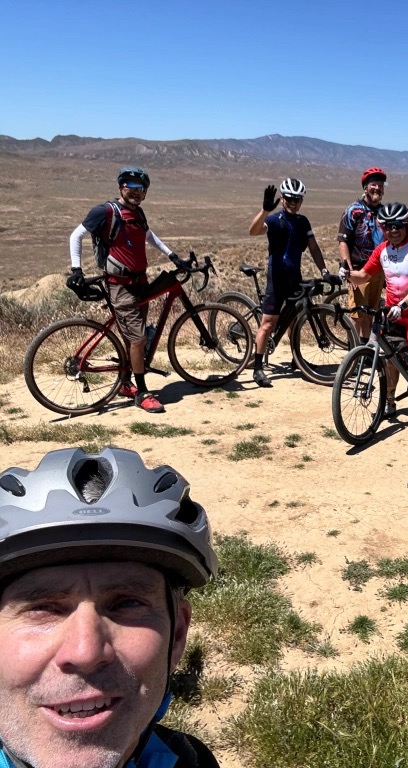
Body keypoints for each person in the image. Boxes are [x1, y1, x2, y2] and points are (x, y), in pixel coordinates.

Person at [0, 446, 220, 768]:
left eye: (128, 603)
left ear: (177, 636)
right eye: (42, 608)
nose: (86, 652)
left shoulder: (191, 761)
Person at [68, 167, 185, 414]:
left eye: (140, 188)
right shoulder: (106, 212)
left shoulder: (138, 213)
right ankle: (142, 393)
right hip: (119, 286)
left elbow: (149, 235)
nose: (135, 191)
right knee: (138, 339)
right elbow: (76, 235)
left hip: (139, 283)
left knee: (131, 338)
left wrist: (172, 255)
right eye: (130, 186)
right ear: (121, 187)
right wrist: (76, 270)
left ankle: (124, 383)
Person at [344, 202, 408, 436]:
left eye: (398, 225)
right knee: (389, 360)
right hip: (392, 313)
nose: (393, 230)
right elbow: (364, 275)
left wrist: (403, 305)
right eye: (388, 226)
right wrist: (347, 274)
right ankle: (389, 401)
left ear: (407, 225)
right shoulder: (382, 250)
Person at [248, 178, 336, 387]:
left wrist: (324, 272)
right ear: (282, 199)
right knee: (268, 323)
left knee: (294, 320)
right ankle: (258, 367)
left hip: (294, 277)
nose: (293, 203)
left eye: (297, 200)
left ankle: (296, 360)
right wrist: (264, 210)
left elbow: (314, 248)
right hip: (276, 278)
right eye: (289, 199)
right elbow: (253, 231)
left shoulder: (303, 222)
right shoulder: (275, 219)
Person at [338, 167, 388, 341]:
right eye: (373, 184)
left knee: (370, 314)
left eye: (380, 185)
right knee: (357, 316)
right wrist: (350, 272)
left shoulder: (384, 212)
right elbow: (343, 241)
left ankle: (364, 351)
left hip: (378, 271)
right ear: (365, 187)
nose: (377, 188)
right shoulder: (354, 210)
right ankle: (354, 350)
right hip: (359, 270)